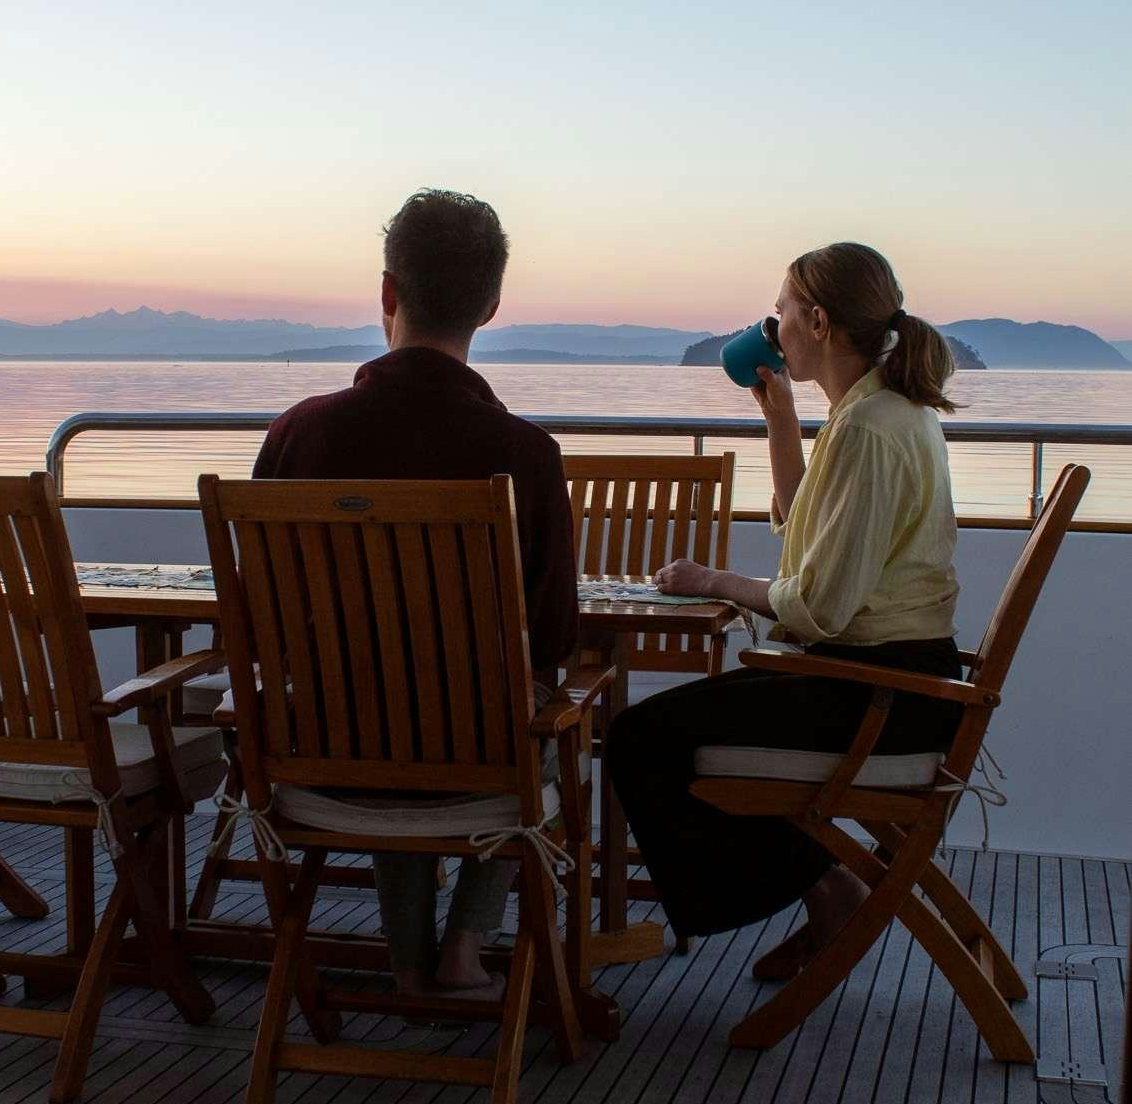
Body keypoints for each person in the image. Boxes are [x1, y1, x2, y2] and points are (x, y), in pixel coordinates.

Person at [253, 188, 578, 997]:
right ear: (492, 305)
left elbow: (265, 614)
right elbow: (552, 634)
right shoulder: (525, 455)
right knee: (516, 707)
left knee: (378, 692)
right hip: (473, 767)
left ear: (388, 293)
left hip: (322, 760)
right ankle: (465, 946)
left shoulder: (298, 434)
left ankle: (403, 957)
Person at [606, 241, 963, 978]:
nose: (774, 327)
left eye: (781, 313)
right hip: (883, 681)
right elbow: (811, 529)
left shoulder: (868, 427)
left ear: (818, 320)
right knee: (659, 731)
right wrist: (778, 420)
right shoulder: (874, 413)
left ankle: (829, 882)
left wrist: (711, 580)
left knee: (641, 740)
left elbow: (819, 605)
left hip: (879, 699)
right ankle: (825, 883)